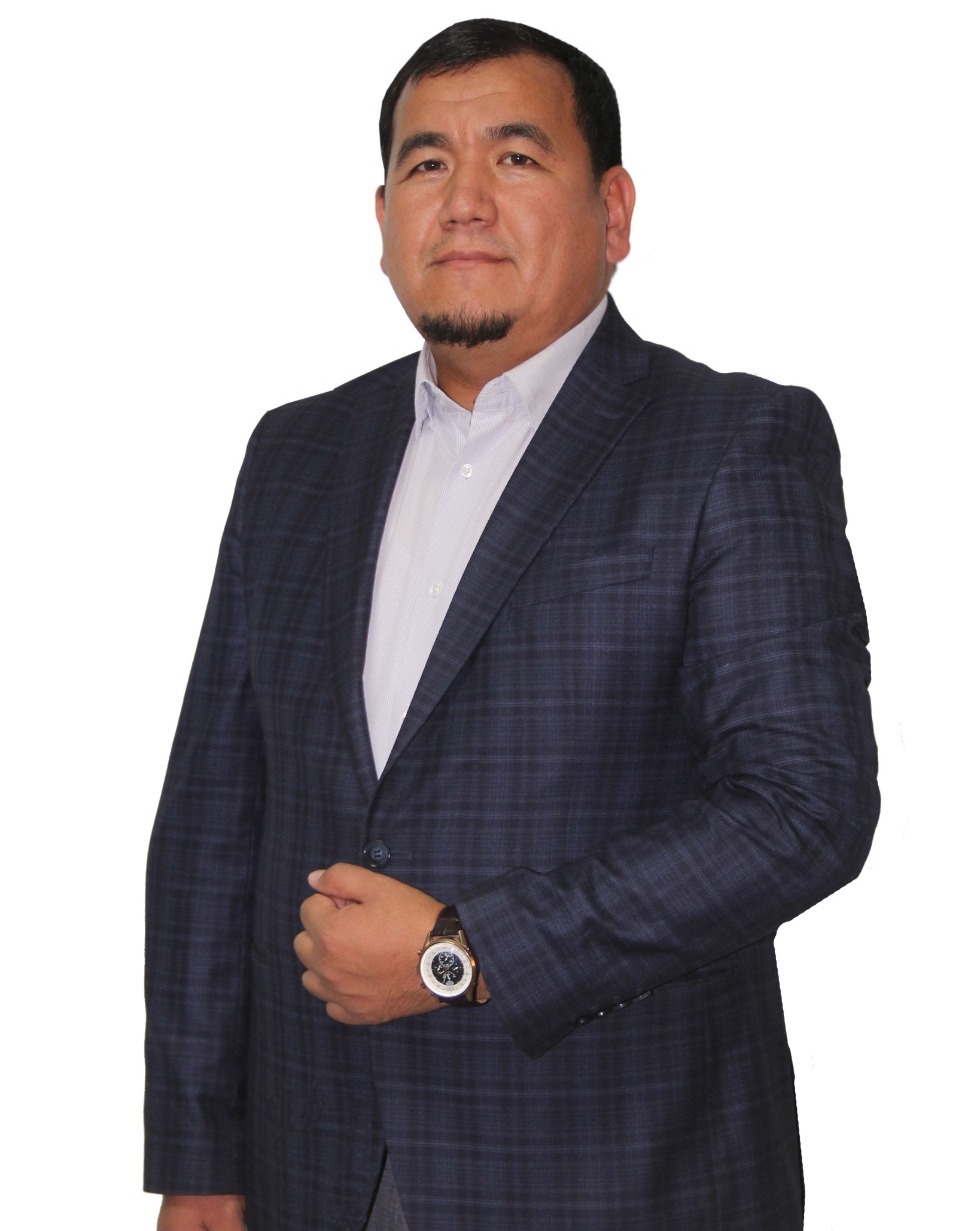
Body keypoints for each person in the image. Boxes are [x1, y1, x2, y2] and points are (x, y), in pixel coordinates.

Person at [144, 18, 878, 1231]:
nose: (465, 201)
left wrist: (464, 949)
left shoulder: (731, 444)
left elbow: (802, 808)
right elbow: (213, 821)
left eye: (516, 157)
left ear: (613, 212)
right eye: (427, 163)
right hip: (308, 1169)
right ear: (383, 215)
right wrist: (199, 1159)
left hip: (616, 1175)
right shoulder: (295, 454)